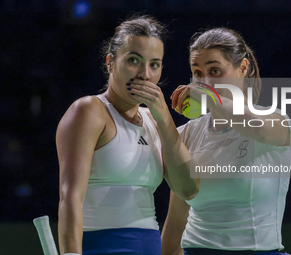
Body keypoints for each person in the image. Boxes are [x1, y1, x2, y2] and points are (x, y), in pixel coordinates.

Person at [56, 15, 199, 255]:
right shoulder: (90, 110)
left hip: (150, 247)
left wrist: (164, 119)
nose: (145, 74)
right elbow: (70, 197)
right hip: (101, 248)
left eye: (154, 64)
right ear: (111, 62)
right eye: (134, 60)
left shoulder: (155, 120)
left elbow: (187, 189)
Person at [161, 28, 291, 255]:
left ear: (242, 68)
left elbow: (260, 129)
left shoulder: (276, 121)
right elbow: (176, 219)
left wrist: (209, 96)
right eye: (197, 72)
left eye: (215, 70)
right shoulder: (186, 133)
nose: (204, 81)